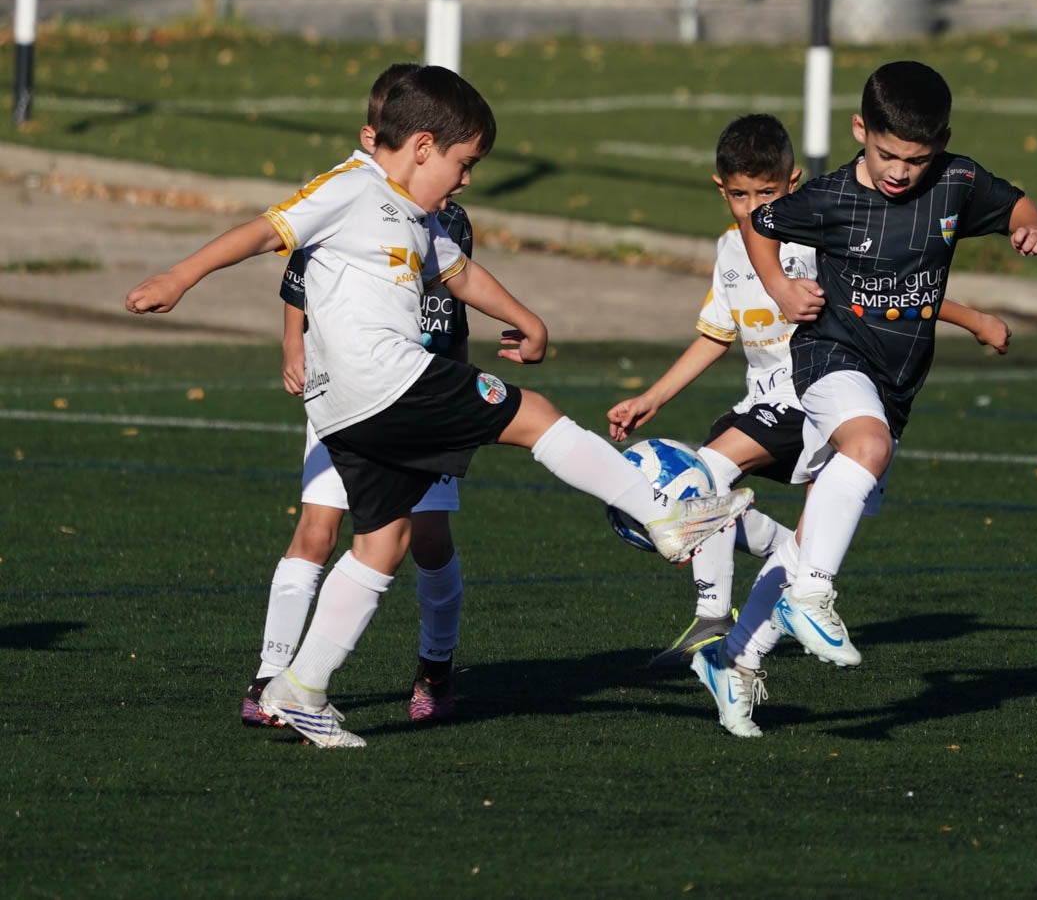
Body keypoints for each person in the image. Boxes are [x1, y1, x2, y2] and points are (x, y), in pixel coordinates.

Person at [126, 65, 752, 749]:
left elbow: (458, 271)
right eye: (463, 163)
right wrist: (179, 276)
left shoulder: (413, 212)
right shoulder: (350, 186)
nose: (466, 180)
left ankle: (301, 688)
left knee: (382, 542)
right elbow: (261, 230)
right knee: (534, 414)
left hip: (348, 409)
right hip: (388, 379)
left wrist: (527, 319)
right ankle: (665, 514)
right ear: (422, 146)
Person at [687, 61, 1037, 737]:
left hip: (897, 383)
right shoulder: (827, 199)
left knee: (807, 539)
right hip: (829, 357)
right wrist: (777, 285)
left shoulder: (956, 183)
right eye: (886, 153)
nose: (899, 170)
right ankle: (684, 506)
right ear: (860, 131)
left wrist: (1029, 226)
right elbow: (761, 224)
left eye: (916, 158)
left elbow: (1016, 202)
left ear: (940, 144)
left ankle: (738, 656)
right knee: (866, 446)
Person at [241, 62, 471, 730]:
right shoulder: (342, 196)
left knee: (426, 538)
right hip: (345, 391)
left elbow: (457, 295)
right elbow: (298, 274)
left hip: (423, 397)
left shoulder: (444, 216)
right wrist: (295, 347)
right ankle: (271, 673)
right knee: (315, 528)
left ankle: (435, 664)